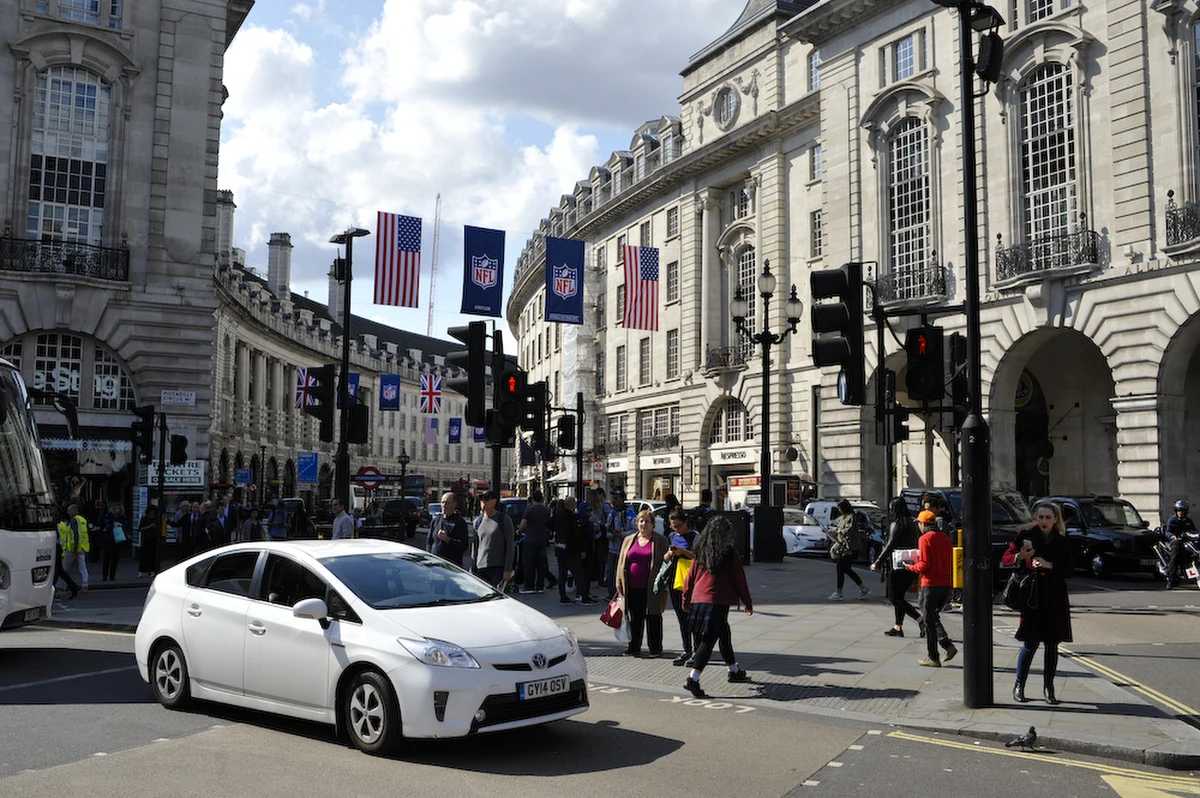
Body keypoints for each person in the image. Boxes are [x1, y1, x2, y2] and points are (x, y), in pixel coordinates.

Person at [1001, 499, 1073, 704]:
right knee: (1030, 643)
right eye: (1040, 517)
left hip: (1055, 597)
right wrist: (1019, 556)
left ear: (1055, 519)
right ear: (1035, 517)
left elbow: (1069, 570)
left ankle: (1049, 689)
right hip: (1032, 597)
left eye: (1048, 517)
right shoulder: (1025, 536)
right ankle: (1019, 685)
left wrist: (1050, 565)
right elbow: (1005, 559)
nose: (1044, 521)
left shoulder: (1062, 541)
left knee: (1052, 645)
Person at [680, 515, 753, 697]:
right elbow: (739, 580)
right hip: (717, 601)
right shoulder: (729, 553)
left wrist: (686, 599)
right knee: (709, 640)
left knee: (724, 633)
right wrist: (747, 602)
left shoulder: (701, 550)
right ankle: (693, 678)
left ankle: (734, 670)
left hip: (700, 598)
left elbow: (690, 577)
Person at [615, 509, 670, 657]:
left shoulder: (660, 540)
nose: (643, 524)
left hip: (652, 587)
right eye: (641, 521)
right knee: (634, 617)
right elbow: (621, 562)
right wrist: (619, 582)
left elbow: (666, 563)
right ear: (636, 523)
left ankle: (655, 648)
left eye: (647, 521)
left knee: (653, 616)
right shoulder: (629, 540)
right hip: (631, 586)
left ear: (653, 524)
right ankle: (634, 647)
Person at [907, 510, 958, 667]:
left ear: (923, 524)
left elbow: (924, 565)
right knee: (933, 617)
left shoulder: (924, 539)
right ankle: (946, 645)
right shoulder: (945, 538)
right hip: (945, 584)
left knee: (929, 619)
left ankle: (933, 656)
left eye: (919, 524)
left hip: (930, 584)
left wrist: (910, 567)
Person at [872, 497, 922, 637]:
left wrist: (877, 562)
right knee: (899, 596)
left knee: (894, 597)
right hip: (910, 563)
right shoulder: (911, 523)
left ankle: (920, 619)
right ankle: (898, 627)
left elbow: (890, 544)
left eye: (891, 507)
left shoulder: (896, 523)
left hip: (896, 564)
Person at [666, 509, 700, 665]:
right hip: (676, 580)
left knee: (693, 617)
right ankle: (686, 649)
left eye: (678, 526)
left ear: (686, 522)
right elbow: (665, 558)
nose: (676, 529)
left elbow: (699, 557)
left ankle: (697, 651)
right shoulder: (673, 536)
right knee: (682, 618)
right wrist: (670, 553)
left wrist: (683, 551)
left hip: (691, 581)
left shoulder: (695, 536)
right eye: (673, 526)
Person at [552, 496, 596, 604]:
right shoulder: (573, 517)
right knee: (579, 574)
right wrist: (582, 550)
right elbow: (577, 535)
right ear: (572, 505)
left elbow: (549, 525)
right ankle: (584, 597)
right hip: (571, 549)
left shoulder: (557, 516)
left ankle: (563, 596)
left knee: (562, 573)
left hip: (559, 547)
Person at [828, 499, 869, 600]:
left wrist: (837, 532)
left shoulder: (852, 517)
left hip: (850, 548)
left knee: (841, 568)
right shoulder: (844, 517)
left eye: (840, 509)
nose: (839, 511)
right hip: (844, 547)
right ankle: (863, 589)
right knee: (846, 569)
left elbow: (848, 530)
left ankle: (839, 592)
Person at [473, 491, 515, 588]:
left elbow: (510, 546)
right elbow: (475, 547)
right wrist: (473, 568)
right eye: (481, 499)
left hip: (497, 568)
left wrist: (507, 570)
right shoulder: (477, 521)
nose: (484, 502)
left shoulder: (504, 519)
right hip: (480, 568)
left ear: (494, 501)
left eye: (487, 499)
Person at [519, 490, 555, 594]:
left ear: (533, 498)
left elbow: (522, 525)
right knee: (541, 563)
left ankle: (529, 586)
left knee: (529, 563)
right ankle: (540, 586)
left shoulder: (529, 510)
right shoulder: (546, 510)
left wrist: (519, 531)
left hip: (530, 539)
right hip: (542, 539)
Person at [604, 488, 636, 599]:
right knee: (610, 572)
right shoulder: (612, 513)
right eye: (613, 498)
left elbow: (635, 530)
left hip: (624, 548)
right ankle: (611, 593)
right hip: (612, 547)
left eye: (616, 498)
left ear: (622, 499)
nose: (614, 500)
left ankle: (622, 592)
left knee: (622, 571)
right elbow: (607, 529)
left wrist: (622, 534)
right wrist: (611, 534)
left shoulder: (630, 513)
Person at [58, 502, 90, 594]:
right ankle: (85, 585)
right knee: (82, 567)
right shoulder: (83, 519)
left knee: (64, 568)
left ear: (75, 510)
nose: (68, 512)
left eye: (69, 510)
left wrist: (75, 547)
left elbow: (76, 534)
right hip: (82, 548)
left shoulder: (73, 520)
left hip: (73, 549)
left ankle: (61, 587)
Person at [431, 492, 470, 567]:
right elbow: (429, 541)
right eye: (442, 502)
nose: (444, 506)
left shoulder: (459, 522)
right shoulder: (436, 520)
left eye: (447, 503)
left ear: (454, 504)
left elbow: (463, 545)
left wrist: (447, 539)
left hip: (451, 566)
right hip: (435, 564)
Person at [1165, 500, 1197, 589]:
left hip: (1187, 542)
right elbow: (1168, 531)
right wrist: (1172, 536)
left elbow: (1194, 531)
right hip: (1176, 541)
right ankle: (1170, 581)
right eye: (1179, 511)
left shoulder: (1188, 521)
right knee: (1174, 558)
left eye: (1182, 511)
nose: (1181, 513)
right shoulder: (1172, 520)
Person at [99, 501, 129, 582]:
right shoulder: (108, 516)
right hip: (109, 538)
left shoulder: (122, 517)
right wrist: (114, 524)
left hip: (118, 538)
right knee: (107, 558)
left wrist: (120, 524)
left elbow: (126, 525)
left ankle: (112, 575)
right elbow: (107, 525)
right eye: (116, 508)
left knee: (115, 558)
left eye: (119, 508)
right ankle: (105, 575)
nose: (117, 510)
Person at [137, 505, 160, 577]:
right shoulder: (144, 519)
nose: (152, 513)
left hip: (154, 539)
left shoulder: (156, 519)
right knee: (144, 556)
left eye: (153, 511)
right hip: (146, 539)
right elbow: (140, 528)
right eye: (151, 511)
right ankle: (141, 571)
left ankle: (151, 570)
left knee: (152, 556)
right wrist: (149, 526)